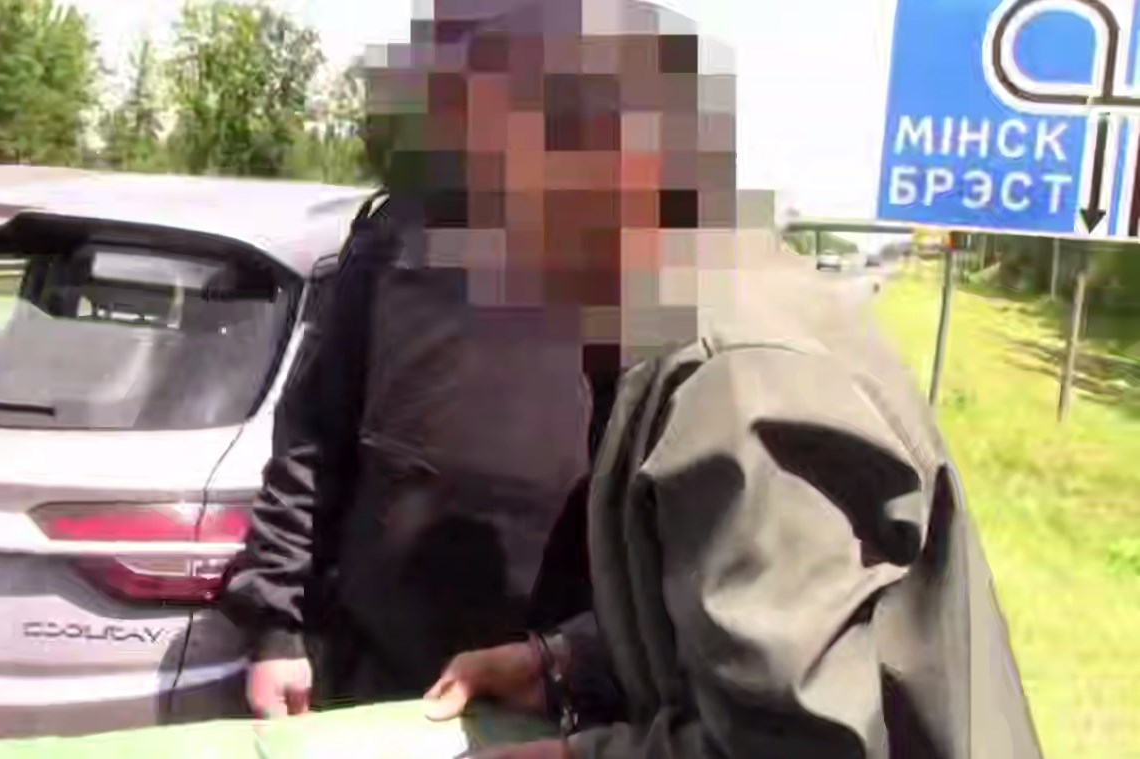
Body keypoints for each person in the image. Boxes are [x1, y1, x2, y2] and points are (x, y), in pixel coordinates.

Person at [413, 3, 1047, 759]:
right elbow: (730, 619)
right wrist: (564, 665)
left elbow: (799, 746)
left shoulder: (737, 380)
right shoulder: (702, 307)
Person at [218, 0, 648, 716]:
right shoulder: (398, 233)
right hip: (379, 677)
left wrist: (586, 660)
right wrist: (275, 628)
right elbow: (311, 439)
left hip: (556, 686)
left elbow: (666, 508)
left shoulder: (637, 258)